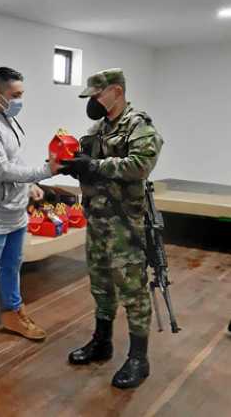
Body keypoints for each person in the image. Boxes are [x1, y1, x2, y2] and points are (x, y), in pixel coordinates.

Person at [60, 68, 163, 389]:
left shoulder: (139, 127)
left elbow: (139, 166)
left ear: (116, 91)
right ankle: (102, 342)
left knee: (132, 291)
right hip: (98, 221)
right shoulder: (98, 129)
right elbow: (88, 165)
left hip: (126, 225)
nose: (91, 102)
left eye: (95, 95)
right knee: (101, 285)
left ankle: (138, 358)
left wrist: (94, 166)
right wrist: (74, 165)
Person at [0, 67, 61, 360]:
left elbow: (14, 160)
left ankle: (12, 314)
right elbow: (2, 170)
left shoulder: (8, 120)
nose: (20, 100)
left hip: (16, 211)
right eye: (15, 95)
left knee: (12, 266)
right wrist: (46, 170)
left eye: (21, 94)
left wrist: (31, 183)